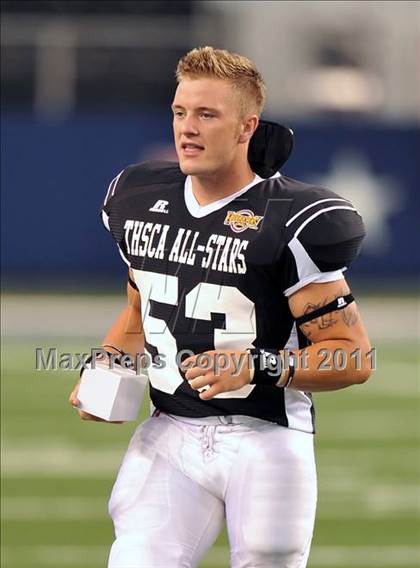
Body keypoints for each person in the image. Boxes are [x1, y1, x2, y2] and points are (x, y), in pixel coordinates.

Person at [69, 46, 372, 568]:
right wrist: (109, 364)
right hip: (169, 432)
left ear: (245, 127)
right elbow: (138, 311)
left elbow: (352, 356)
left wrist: (257, 365)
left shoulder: (291, 219)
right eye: (180, 112)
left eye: (207, 115)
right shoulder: (138, 198)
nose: (187, 128)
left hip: (266, 440)